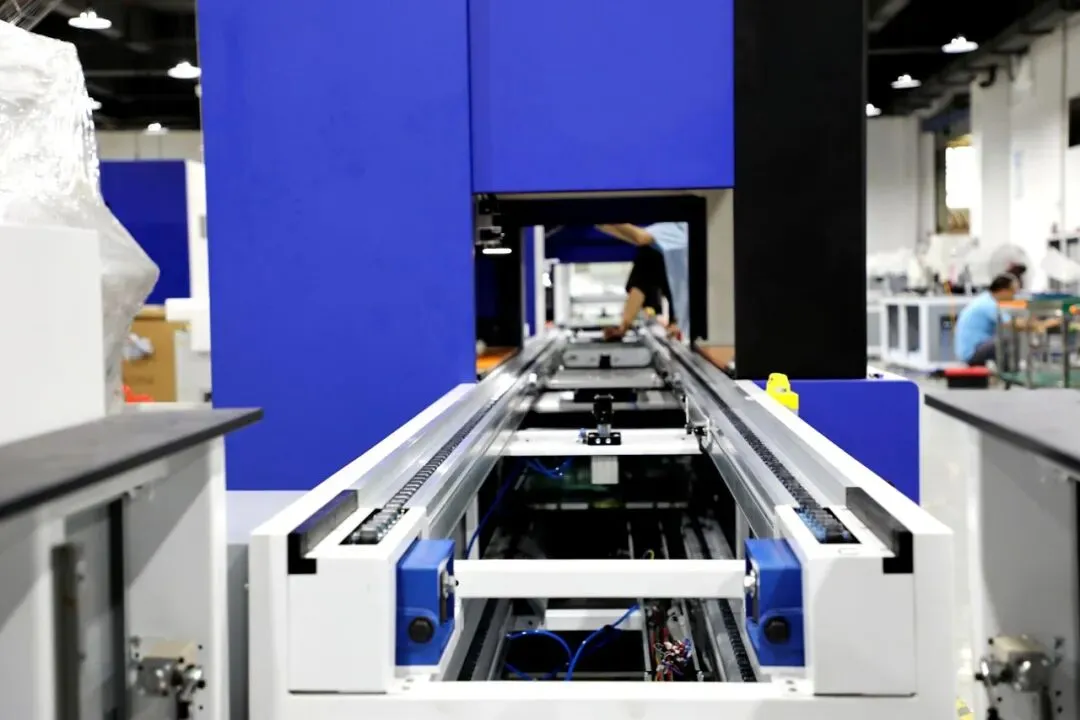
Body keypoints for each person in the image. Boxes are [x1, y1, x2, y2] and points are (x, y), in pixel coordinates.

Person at [594, 223, 689, 341]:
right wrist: (623, 327)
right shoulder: (653, 250)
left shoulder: (681, 227)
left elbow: (641, 237)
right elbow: (640, 285)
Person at [954, 273, 1053, 367]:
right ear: (1003, 291)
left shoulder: (986, 299)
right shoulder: (989, 304)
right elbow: (1013, 324)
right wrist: (1042, 324)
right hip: (972, 352)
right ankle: (1009, 373)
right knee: (1005, 342)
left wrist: (1034, 323)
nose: (1013, 297)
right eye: (1013, 292)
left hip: (975, 348)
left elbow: (1016, 320)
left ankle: (1008, 369)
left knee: (1003, 340)